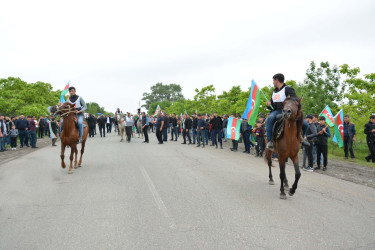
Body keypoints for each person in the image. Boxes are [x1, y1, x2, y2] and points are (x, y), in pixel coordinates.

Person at [266, 73, 308, 150]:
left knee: (305, 124)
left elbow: (295, 100)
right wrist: (269, 105)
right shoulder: (274, 91)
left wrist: (288, 100)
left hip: (288, 111)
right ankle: (270, 141)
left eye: (273, 80)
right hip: (276, 111)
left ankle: (303, 138)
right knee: (270, 118)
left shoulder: (288, 89)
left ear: (277, 80)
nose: (273, 82)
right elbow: (272, 105)